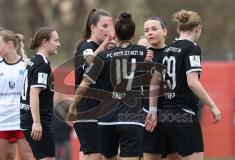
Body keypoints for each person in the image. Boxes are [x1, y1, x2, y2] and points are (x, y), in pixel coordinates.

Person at [67, 11, 160, 160]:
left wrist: (72, 107)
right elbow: (155, 76)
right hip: (131, 117)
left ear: (115, 32)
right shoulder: (143, 52)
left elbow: (84, 84)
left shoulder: (103, 56)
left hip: (106, 120)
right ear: (134, 32)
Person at [145, 10, 221, 160]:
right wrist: (213, 106)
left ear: (179, 28)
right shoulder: (192, 48)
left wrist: (152, 110)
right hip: (184, 114)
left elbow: (154, 80)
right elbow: (192, 82)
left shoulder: (167, 49)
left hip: (166, 115)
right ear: (198, 27)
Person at [73, 8, 114, 160]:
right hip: (87, 110)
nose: (108, 31)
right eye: (104, 26)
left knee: (92, 154)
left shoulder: (105, 49)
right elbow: (90, 62)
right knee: (95, 155)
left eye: (111, 26)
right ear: (92, 27)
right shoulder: (86, 46)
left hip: (102, 111)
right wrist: (106, 45)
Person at [142, 17, 182, 160]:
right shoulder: (142, 55)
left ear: (164, 31)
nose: (149, 33)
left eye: (154, 29)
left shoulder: (174, 53)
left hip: (172, 116)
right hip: (149, 117)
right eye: (146, 30)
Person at [20, 27, 60, 160]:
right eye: (55, 40)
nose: (58, 44)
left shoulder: (33, 61)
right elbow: (33, 93)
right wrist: (37, 122)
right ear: (44, 42)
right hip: (37, 121)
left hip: (29, 120)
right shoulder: (42, 65)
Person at [0, 29, 34, 160]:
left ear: (9, 44)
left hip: (23, 119)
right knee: (7, 156)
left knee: (27, 156)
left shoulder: (27, 65)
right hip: (2, 121)